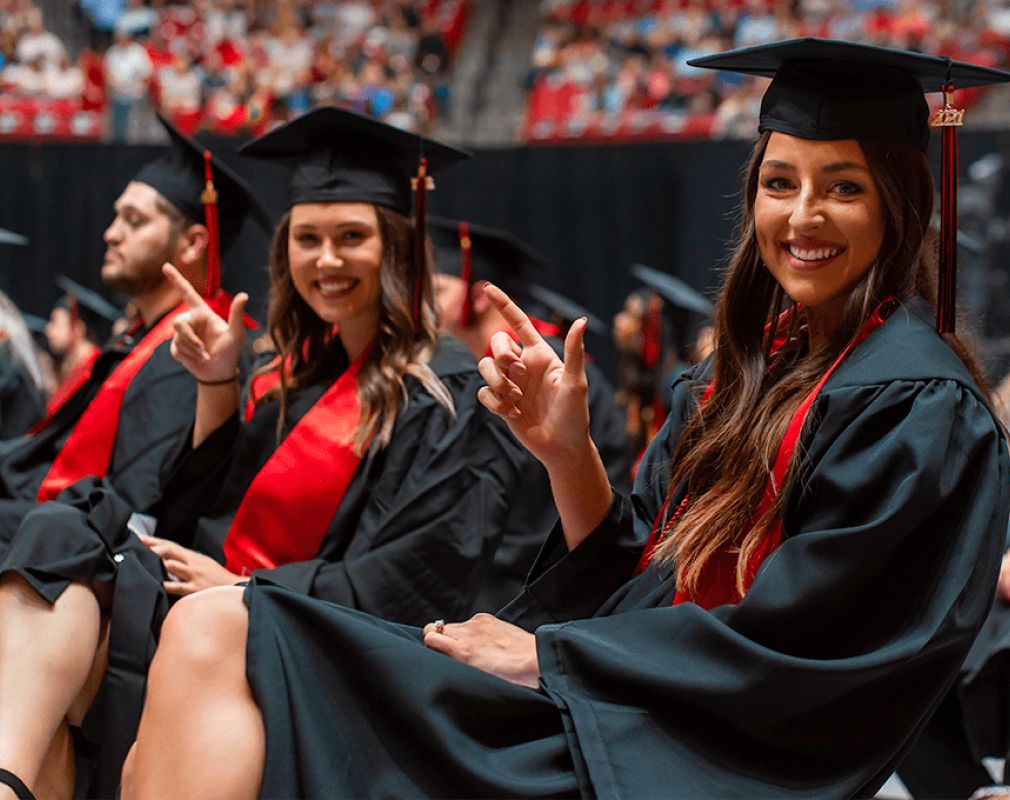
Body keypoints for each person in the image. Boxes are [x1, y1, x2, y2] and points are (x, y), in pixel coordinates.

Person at [124, 40, 1010, 799]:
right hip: (622, 699)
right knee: (211, 627)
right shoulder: (749, 369)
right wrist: (565, 451)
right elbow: (641, 567)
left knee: (224, 630)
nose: (802, 216)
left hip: (697, 753)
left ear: (902, 203)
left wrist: (552, 661)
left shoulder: (914, 402)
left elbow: (802, 647)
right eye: (780, 182)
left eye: (842, 187)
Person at [0, 106, 523, 800]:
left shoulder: (449, 391)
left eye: (351, 237)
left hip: (315, 641)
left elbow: (418, 575)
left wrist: (247, 589)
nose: (326, 260)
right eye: (307, 238)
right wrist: (218, 387)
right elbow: (195, 512)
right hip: (217, 606)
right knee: (69, 525)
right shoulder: (292, 373)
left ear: (396, 246)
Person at [0, 115, 267, 544]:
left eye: (134, 221)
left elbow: (131, 507)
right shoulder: (139, 337)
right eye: (115, 218)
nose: (110, 234)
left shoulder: (186, 355)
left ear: (195, 242)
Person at [428, 216, 634, 611]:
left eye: (435, 291)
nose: (421, 307)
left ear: (477, 297)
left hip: (547, 591)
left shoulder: (559, 374)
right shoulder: (456, 376)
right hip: (470, 588)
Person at [43, 274, 123, 418]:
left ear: (78, 329)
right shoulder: (73, 368)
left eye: (56, 322)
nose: (48, 329)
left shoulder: (95, 371)